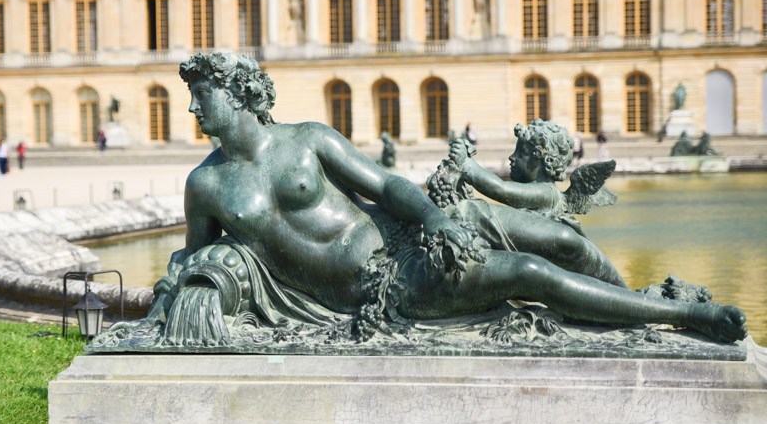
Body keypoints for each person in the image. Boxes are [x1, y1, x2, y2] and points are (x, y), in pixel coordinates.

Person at [135, 53, 746, 346]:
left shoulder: (308, 140)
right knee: (532, 273)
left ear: (239, 94)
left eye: (202, 94)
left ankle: (638, 299)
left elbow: (387, 186)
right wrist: (183, 283)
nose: (192, 108)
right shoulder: (205, 185)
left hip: (408, 240)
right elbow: (192, 255)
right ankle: (683, 318)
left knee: (559, 240)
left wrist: (433, 218)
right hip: (375, 290)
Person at [445, 120, 626, 288]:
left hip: (572, 252)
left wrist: (468, 165)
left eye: (521, 153)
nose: (512, 157)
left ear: (543, 161)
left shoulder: (546, 192)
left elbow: (502, 190)